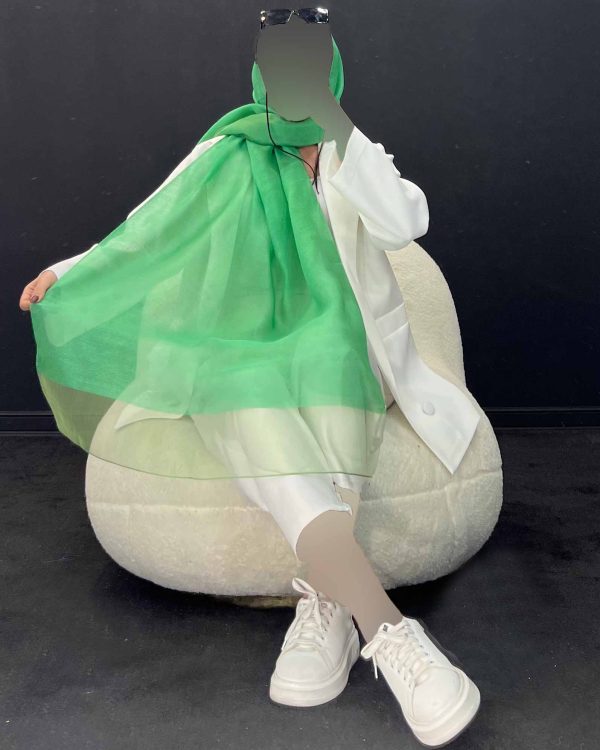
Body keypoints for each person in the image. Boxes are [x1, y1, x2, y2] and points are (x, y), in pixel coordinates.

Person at [20, 8, 480, 746]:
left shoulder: (352, 151)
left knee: (324, 376)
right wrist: (67, 273)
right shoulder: (224, 148)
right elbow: (149, 228)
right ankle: (388, 631)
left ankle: (327, 606)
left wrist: (337, 127)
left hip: (341, 351)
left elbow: (404, 223)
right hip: (236, 345)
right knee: (235, 389)